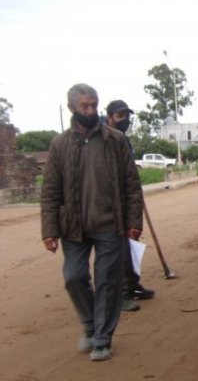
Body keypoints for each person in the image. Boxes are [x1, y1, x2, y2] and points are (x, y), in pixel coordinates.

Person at [41, 83, 143, 361]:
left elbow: (132, 185)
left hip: (110, 224)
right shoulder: (60, 144)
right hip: (73, 227)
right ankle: (89, 325)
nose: (91, 110)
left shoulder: (115, 140)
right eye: (85, 106)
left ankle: (101, 339)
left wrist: (134, 220)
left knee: (108, 282)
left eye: (94, 105)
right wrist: (49, 230)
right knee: (73, 277)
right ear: (73, 107)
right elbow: (50, 190)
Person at [105, 100, 155, 312]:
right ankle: (122, 293)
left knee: (132, 243)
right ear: (109, 118)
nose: (124, 120)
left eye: (126, 116)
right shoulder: (106, 140)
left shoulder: (123, 139)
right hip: (111, 203)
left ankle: (133, 284)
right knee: (120, 248)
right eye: (120, 116)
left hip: (128, 199)